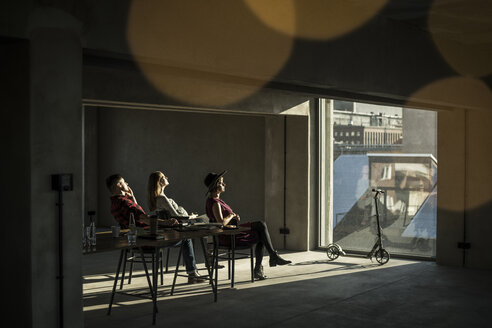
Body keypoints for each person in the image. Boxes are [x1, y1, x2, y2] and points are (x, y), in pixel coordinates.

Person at [105, 174, 205, 283]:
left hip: (135, 239)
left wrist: (132, 197)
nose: (127, 184)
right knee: (186, 238)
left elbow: (137, 217)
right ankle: (192, 274)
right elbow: (145, 219)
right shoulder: (125, 202)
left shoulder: (115, 203)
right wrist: (166, 222)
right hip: (147, 240)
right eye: (124, 182)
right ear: (118, 185)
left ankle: (192, 274)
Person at [204, 171, 291, 280]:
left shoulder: (217, 201)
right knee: (261, 227)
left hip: (231, 232)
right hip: (227, 236)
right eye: (222, 183)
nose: (224, 184)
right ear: (216, 186)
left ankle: (269, 260)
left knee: (261, 231)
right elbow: (221, 223)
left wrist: (233, 216)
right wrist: (231, 216)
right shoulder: (215, 203)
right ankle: (267, 262)